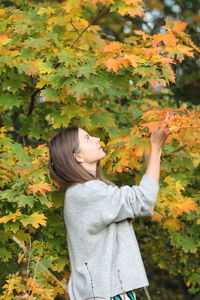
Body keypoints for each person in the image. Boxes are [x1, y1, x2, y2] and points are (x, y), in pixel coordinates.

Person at [48, 124, 169, 300]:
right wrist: (156, 150)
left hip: (110, 290)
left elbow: (145, 206)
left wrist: (152, 154)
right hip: (105, 292)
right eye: (88, 138)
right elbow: (143, 199)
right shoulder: (86, 192)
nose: (97, 139)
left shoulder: (91, 190)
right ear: (78, 156)